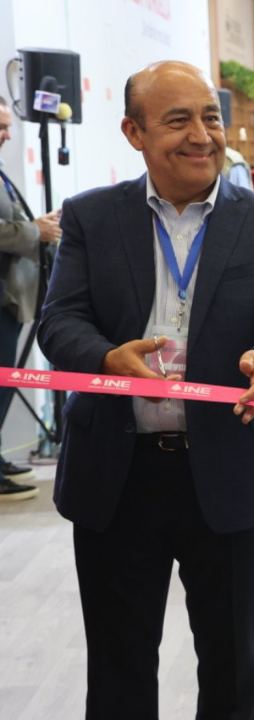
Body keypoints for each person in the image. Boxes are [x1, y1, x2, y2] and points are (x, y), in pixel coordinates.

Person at [37, 61, 254, 718]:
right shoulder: (91, 218)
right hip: (119, 472)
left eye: (210, 117)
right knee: (119, 664)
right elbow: (60, 320)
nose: (202, 135)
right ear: (133, 132)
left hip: (232, 469)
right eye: (178, 120)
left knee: (230, 662)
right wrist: (108, 355)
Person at [0, 95, 61, 500]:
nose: (6, 135)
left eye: (7, 127)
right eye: (0, 127)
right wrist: (33, 232)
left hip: (10, 299)